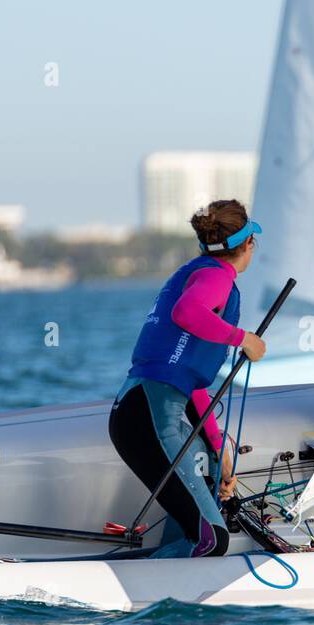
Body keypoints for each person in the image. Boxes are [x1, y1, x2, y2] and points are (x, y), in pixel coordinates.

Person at [109, 200, 266, 558]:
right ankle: (150, 590)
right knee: (213, 542)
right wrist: (242, 338)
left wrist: (218, 450)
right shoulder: (214, 277)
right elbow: (186, 312)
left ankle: (161, 565)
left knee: (210, 480)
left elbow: (192, 385)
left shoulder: (197, 272)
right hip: (147, 421)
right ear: (248, 245)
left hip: (140, 412)